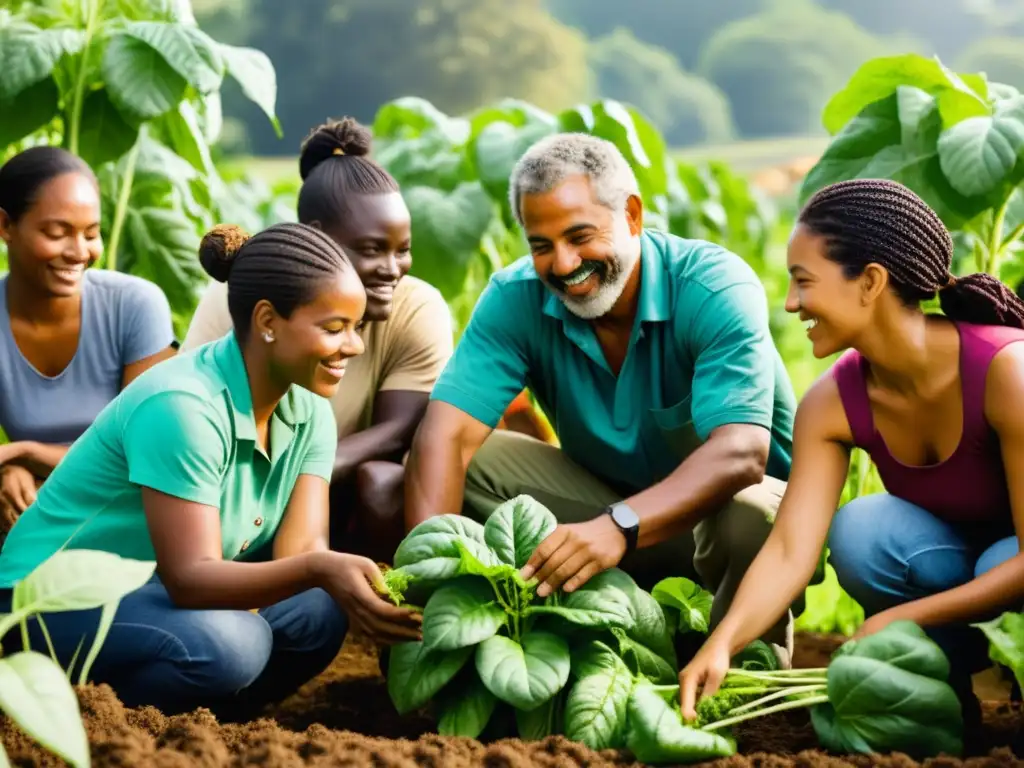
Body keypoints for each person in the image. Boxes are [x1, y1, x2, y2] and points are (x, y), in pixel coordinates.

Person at [404, 132, 800, 662]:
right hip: (606, 516)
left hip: (727, 529)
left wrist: (621, 526)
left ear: (632, 216)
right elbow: (445, 440)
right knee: (468, 462)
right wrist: (425, 581)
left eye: (580, 236)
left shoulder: (711, 285)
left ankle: (737, 656)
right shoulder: (515, 297)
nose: (564, 265)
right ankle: (575, 632)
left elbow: (743, 452)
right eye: (541, 246)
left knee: (752, 511)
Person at [0, 222, 422, 718]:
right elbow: (191, 579)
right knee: (234, 645)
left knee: (317, 615)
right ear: (267, 320)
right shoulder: (182, 406)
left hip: (155, 592)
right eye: (334, 329)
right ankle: (98, 716)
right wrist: (320, 568)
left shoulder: (308, 410)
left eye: (356, 328)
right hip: (45, 597)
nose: (354, 346)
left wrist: (333, 575)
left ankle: (208, 721)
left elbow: (301, 553)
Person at [678, 178, 1024, 735]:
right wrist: (721, 645)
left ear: (869, 282)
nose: (790, 303)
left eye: (803, 282)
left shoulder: (1007, 371)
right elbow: (791, 549)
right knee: (862, 531)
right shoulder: (834, 400)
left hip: (1012, 564)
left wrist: (899, 618)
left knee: (997, 562)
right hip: (968, 566)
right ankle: (952, 691)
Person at [180, 118, 452, 563]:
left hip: (339, 492)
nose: (392, 268)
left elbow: (400, 431)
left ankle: (371, 598)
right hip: (238, 483)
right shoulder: (241, 294)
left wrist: (302, 472)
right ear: (318, 236)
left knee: (383, 482)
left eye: (401, 249)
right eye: (370, 249)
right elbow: (194, 415)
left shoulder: (418, 308)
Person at [0, 146, 175, 534]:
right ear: (5, 226)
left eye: (91, 234)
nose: (80, 252)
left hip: (135, 516)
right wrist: (7, 471)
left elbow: (146, 454)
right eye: (56, 233)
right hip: (35, 510)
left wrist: (24, 454)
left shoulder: (134, 305)